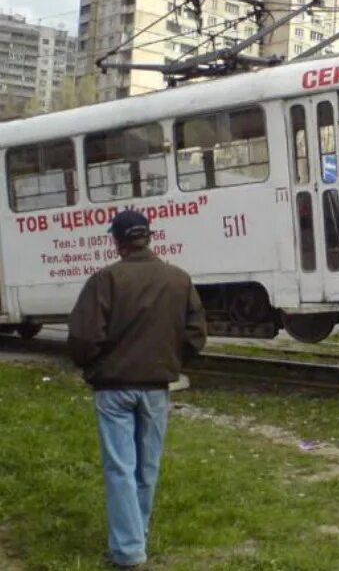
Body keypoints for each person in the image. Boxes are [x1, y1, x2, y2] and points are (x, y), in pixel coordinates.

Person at [68, 210, 206, 569]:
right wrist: (169, 362)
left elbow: (83, 338)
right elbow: (196, 335)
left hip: (113, 389)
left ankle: (128, 552)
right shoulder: (178, 279)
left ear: (117, 240)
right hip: (157, 388)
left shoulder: (104, 280)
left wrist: (95, 368)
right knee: (147, 468)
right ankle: (137, 536)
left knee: (120, 469)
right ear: (149, 236)